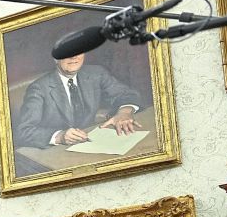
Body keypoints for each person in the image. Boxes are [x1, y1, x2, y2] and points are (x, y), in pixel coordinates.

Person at [13, 51, 142, 150]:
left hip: (93, 143)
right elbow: (23, 131)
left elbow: (127, 93)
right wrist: (60, 136)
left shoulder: (96, 73)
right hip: (56, 151)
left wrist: (124, 112)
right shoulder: (39, 89)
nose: (73, 57)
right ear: (55, 58)